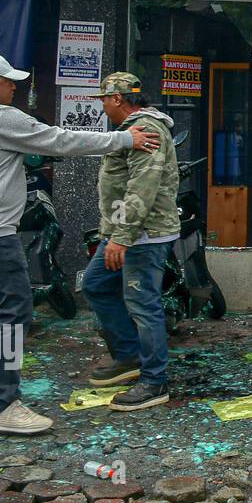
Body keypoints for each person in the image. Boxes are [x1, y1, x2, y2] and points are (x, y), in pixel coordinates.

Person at [0, 53, 162, 435]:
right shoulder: (1, 118)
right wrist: (124, 139)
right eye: (8, 82)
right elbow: (60, 140)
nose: (14, 87)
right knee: (12, 314)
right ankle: (4, 406)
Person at [79, 73, 179, 411]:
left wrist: (121, 238)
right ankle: (128, 355)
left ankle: (154, 381)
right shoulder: (128, 132)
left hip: (142, 235)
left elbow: (142, 187)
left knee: (142, 302)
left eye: (104, 99)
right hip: (123, 233)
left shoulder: (146, 129)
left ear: (118, 99)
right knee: (95, 284)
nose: (103, 105)